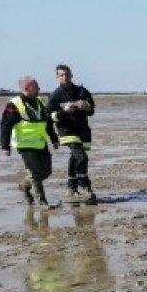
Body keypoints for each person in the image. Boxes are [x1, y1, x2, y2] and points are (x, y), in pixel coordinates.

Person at [0, 76, 60, 206]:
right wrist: (5, 146)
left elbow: (48, 122)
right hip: (25, 145)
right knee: (35, 174)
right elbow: (5, 125)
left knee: (46, 172)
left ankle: (24, 185)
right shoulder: (14, 104)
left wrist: (54, 138)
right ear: (27, 88)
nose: (39, 88)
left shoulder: (40, 101)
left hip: (40, 142)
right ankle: (42, 202)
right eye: (36, 86)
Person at [48, 64, 97, 204]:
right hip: (66, 131)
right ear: (57, 77)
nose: (65, 77)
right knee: (82, 157)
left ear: (71, 75)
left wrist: (87, 107)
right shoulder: (55, 96)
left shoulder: (82, 91)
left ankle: (72, 188)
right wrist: (64, 112)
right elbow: (50, 117)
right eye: (61, 75)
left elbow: (92, 111)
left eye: (67, 74)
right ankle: (85, 186)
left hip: (82, 130)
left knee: (74, 158)